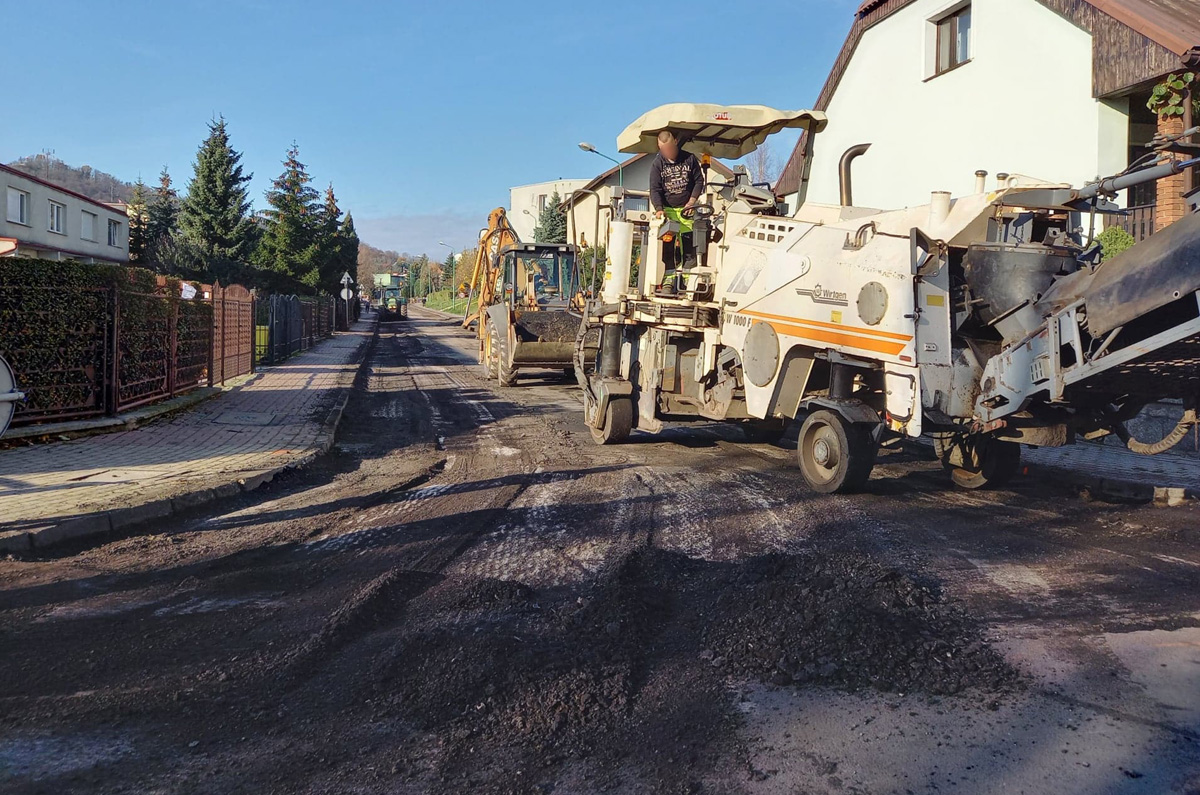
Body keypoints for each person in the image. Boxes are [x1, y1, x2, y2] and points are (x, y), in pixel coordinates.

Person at [649, 129, 704, 294]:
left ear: (675, 144)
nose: (668, 153)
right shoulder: (657, 164)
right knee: (668, 249)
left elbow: (699, 181)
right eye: (663, 150)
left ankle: (688, 283)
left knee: (689, 248)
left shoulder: (689, 159)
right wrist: (659, 209)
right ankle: (668, 281)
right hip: (668, 212)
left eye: (670, 149)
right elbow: (655, 189)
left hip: (687, 211)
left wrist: (692, 201)